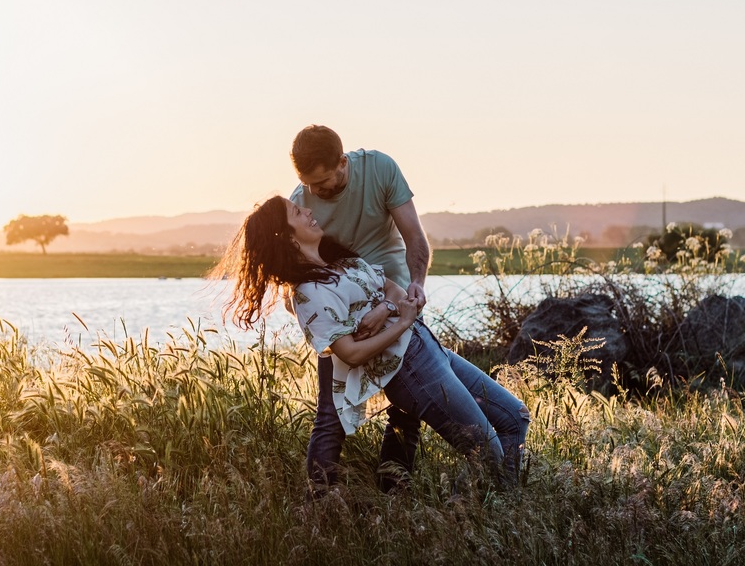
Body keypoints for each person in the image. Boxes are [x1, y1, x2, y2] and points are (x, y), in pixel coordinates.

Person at [221, 196, 529, 488]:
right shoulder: (309, 293)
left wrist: (386, 309)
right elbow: (351, 353)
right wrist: (403, 321)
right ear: (287, 238)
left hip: (427, 346)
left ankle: (502, 502)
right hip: (409, 370)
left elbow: (394, 289)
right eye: (297, 212)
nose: (308, 211)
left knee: (515, 417)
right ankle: (470, 511)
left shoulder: (339, 260)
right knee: (485, 452)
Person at [288, 125, 430, 492]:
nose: (315, 192)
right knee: (331, 414)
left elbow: (415, 237)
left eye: (322, 182)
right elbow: (298, 280)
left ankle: (393, 492)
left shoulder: (379, 169)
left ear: (342, 161)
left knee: (406, 410)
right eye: (308, 184)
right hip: (345, 319)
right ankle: (321, 503)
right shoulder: (300, 204)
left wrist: (415, 286)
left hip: (398, 303)